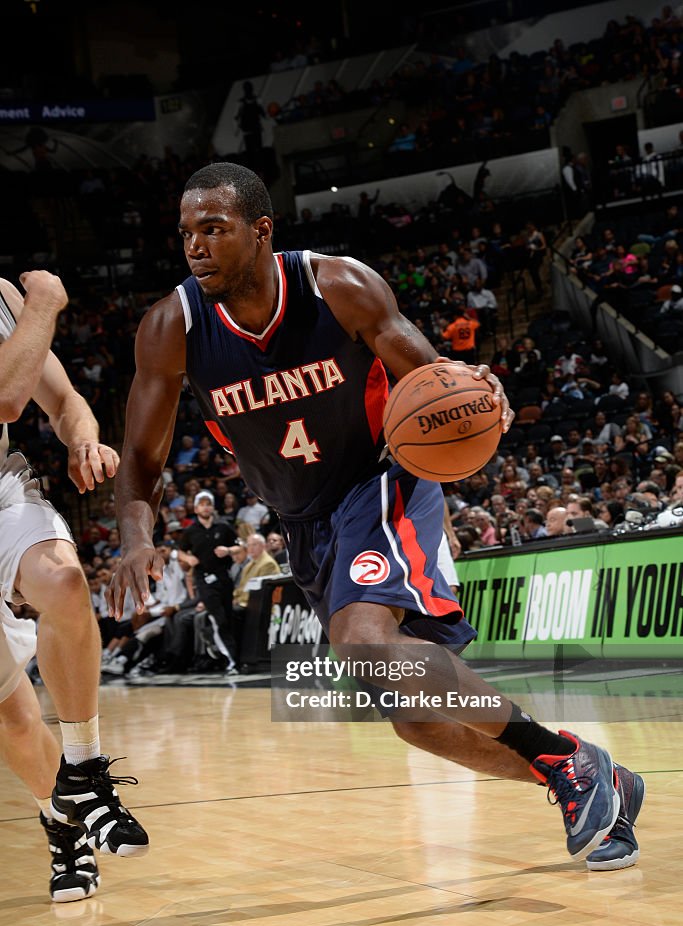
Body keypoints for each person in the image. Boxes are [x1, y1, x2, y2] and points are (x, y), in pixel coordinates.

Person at [110, 163, 643, 871]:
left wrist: (475, 392)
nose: (196, 247)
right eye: (186, 234)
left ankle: (563, 759)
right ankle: (583, 775)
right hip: (304, 520)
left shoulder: (338, 286)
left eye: (214, 228)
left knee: (366, 642)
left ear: (260, 230)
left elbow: (431, 382)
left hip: (379, 481)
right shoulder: (169, 328)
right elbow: (141, 459)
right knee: (416, 720)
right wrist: (134, 539)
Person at [0, 273, 148, 903]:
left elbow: (59, 401)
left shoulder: (3, 296)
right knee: (12, 719)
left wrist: (83, 436)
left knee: (61, 578)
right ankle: (61, 824)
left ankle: (84, 768)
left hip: (1, 491)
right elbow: (5, 398)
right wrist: (47, 305)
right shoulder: (30, 301)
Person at [177, 490, 239, 673]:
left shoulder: (224, 526)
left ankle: (219, 648)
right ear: (196, 508)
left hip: (223, 577)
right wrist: (188, 560)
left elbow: (239, 545)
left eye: (209, 503)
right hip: (203, 579)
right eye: (202, 504)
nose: (206, 507)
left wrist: (228, 550)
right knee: (218, 617)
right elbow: (179, 551)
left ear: (213, 507)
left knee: (228, 616)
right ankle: (232, 660)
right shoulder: (190, 531)